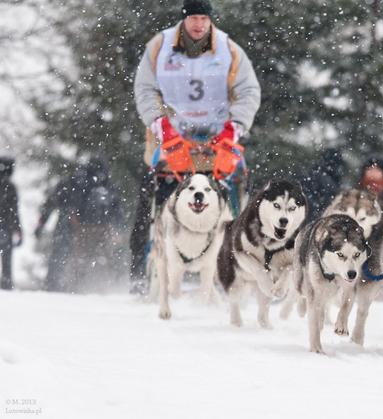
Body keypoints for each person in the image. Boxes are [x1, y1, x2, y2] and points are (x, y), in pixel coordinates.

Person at [131, 0, 261, 293]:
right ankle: (141, 263)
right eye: (193, 18)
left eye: (204, 18)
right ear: (184, 20)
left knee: (235, 193)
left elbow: (248, 91)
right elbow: (144, 88)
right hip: (170, 135)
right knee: (151, 191)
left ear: (210, 20)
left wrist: (234, 126)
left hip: (218, 137)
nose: (199, 24)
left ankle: (234, 265)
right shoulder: (159, 46)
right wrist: (160, 124)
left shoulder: (229, 50)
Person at [35, 158, 122, 292]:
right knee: (95, 257)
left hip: (74, 226)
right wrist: (116, 227)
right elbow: (116, 210)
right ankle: (95, 285)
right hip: (97, 228)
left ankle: (55, 285)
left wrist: (41, 224)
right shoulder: (106, 186)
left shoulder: (72, 182)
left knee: (62, 254)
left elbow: (50, 204)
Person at [300, 148, 345, 221]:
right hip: (316, 215)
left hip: (310, 212)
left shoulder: (315, 172)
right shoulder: (328, 179)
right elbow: (327, 200)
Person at [0, 157, 22, 290]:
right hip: (6, 227)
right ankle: (7, 283)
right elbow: (14, 211)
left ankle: (7, 282)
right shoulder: (10, 187)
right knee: (7, 258)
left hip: (6, 226)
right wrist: (18, 230)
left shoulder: (10, 187)